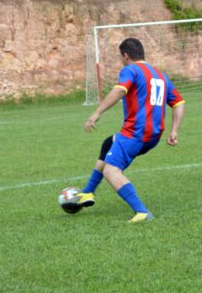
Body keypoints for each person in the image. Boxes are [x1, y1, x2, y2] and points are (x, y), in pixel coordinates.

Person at [73, 38, 185, 222]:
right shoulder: (160, 75)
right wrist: (175, 130)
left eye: (121, 57)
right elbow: (179, 103)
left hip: (136, 132)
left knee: (111, 171)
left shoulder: (130, 70)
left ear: (126, 55)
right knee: (108, 143)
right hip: (154, 135)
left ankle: (142, 212)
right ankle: (87, 192)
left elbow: (119, 91)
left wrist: (96, 113)